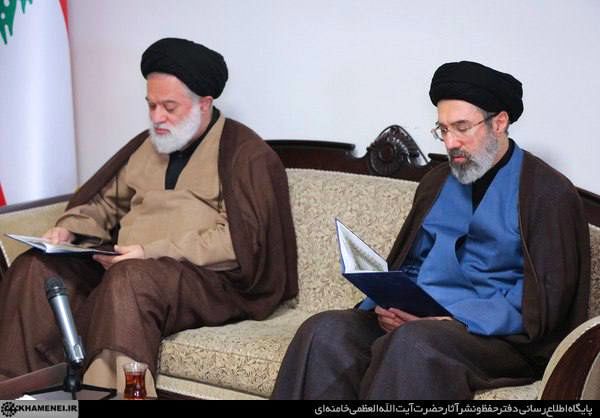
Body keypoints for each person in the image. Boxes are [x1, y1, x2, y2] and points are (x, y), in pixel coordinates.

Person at [271, 61, 590, 400]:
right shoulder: (437, 181)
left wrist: (457, 320)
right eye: (443, 130)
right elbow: (410, 263)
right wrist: (389, 304)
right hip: (420, 320)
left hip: (497, 339)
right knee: (324, 331)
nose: (451, 143)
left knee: (414, 344)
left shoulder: (547, 193)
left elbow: (546, 304)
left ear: (499, 122)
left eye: (462, 128)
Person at [0, 38, 298, 396]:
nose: (157, 117)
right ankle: (18, 399)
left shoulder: (245, 154)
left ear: (204, 103)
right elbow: (105, 204)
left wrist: (148, 253)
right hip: (127, 265)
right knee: (35, 268)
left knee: (130, 279)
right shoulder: (150, 145)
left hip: (206, 281)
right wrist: (68, 230)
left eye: (169, 107)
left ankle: (117, 395)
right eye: (151, 105)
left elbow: (237, 242)